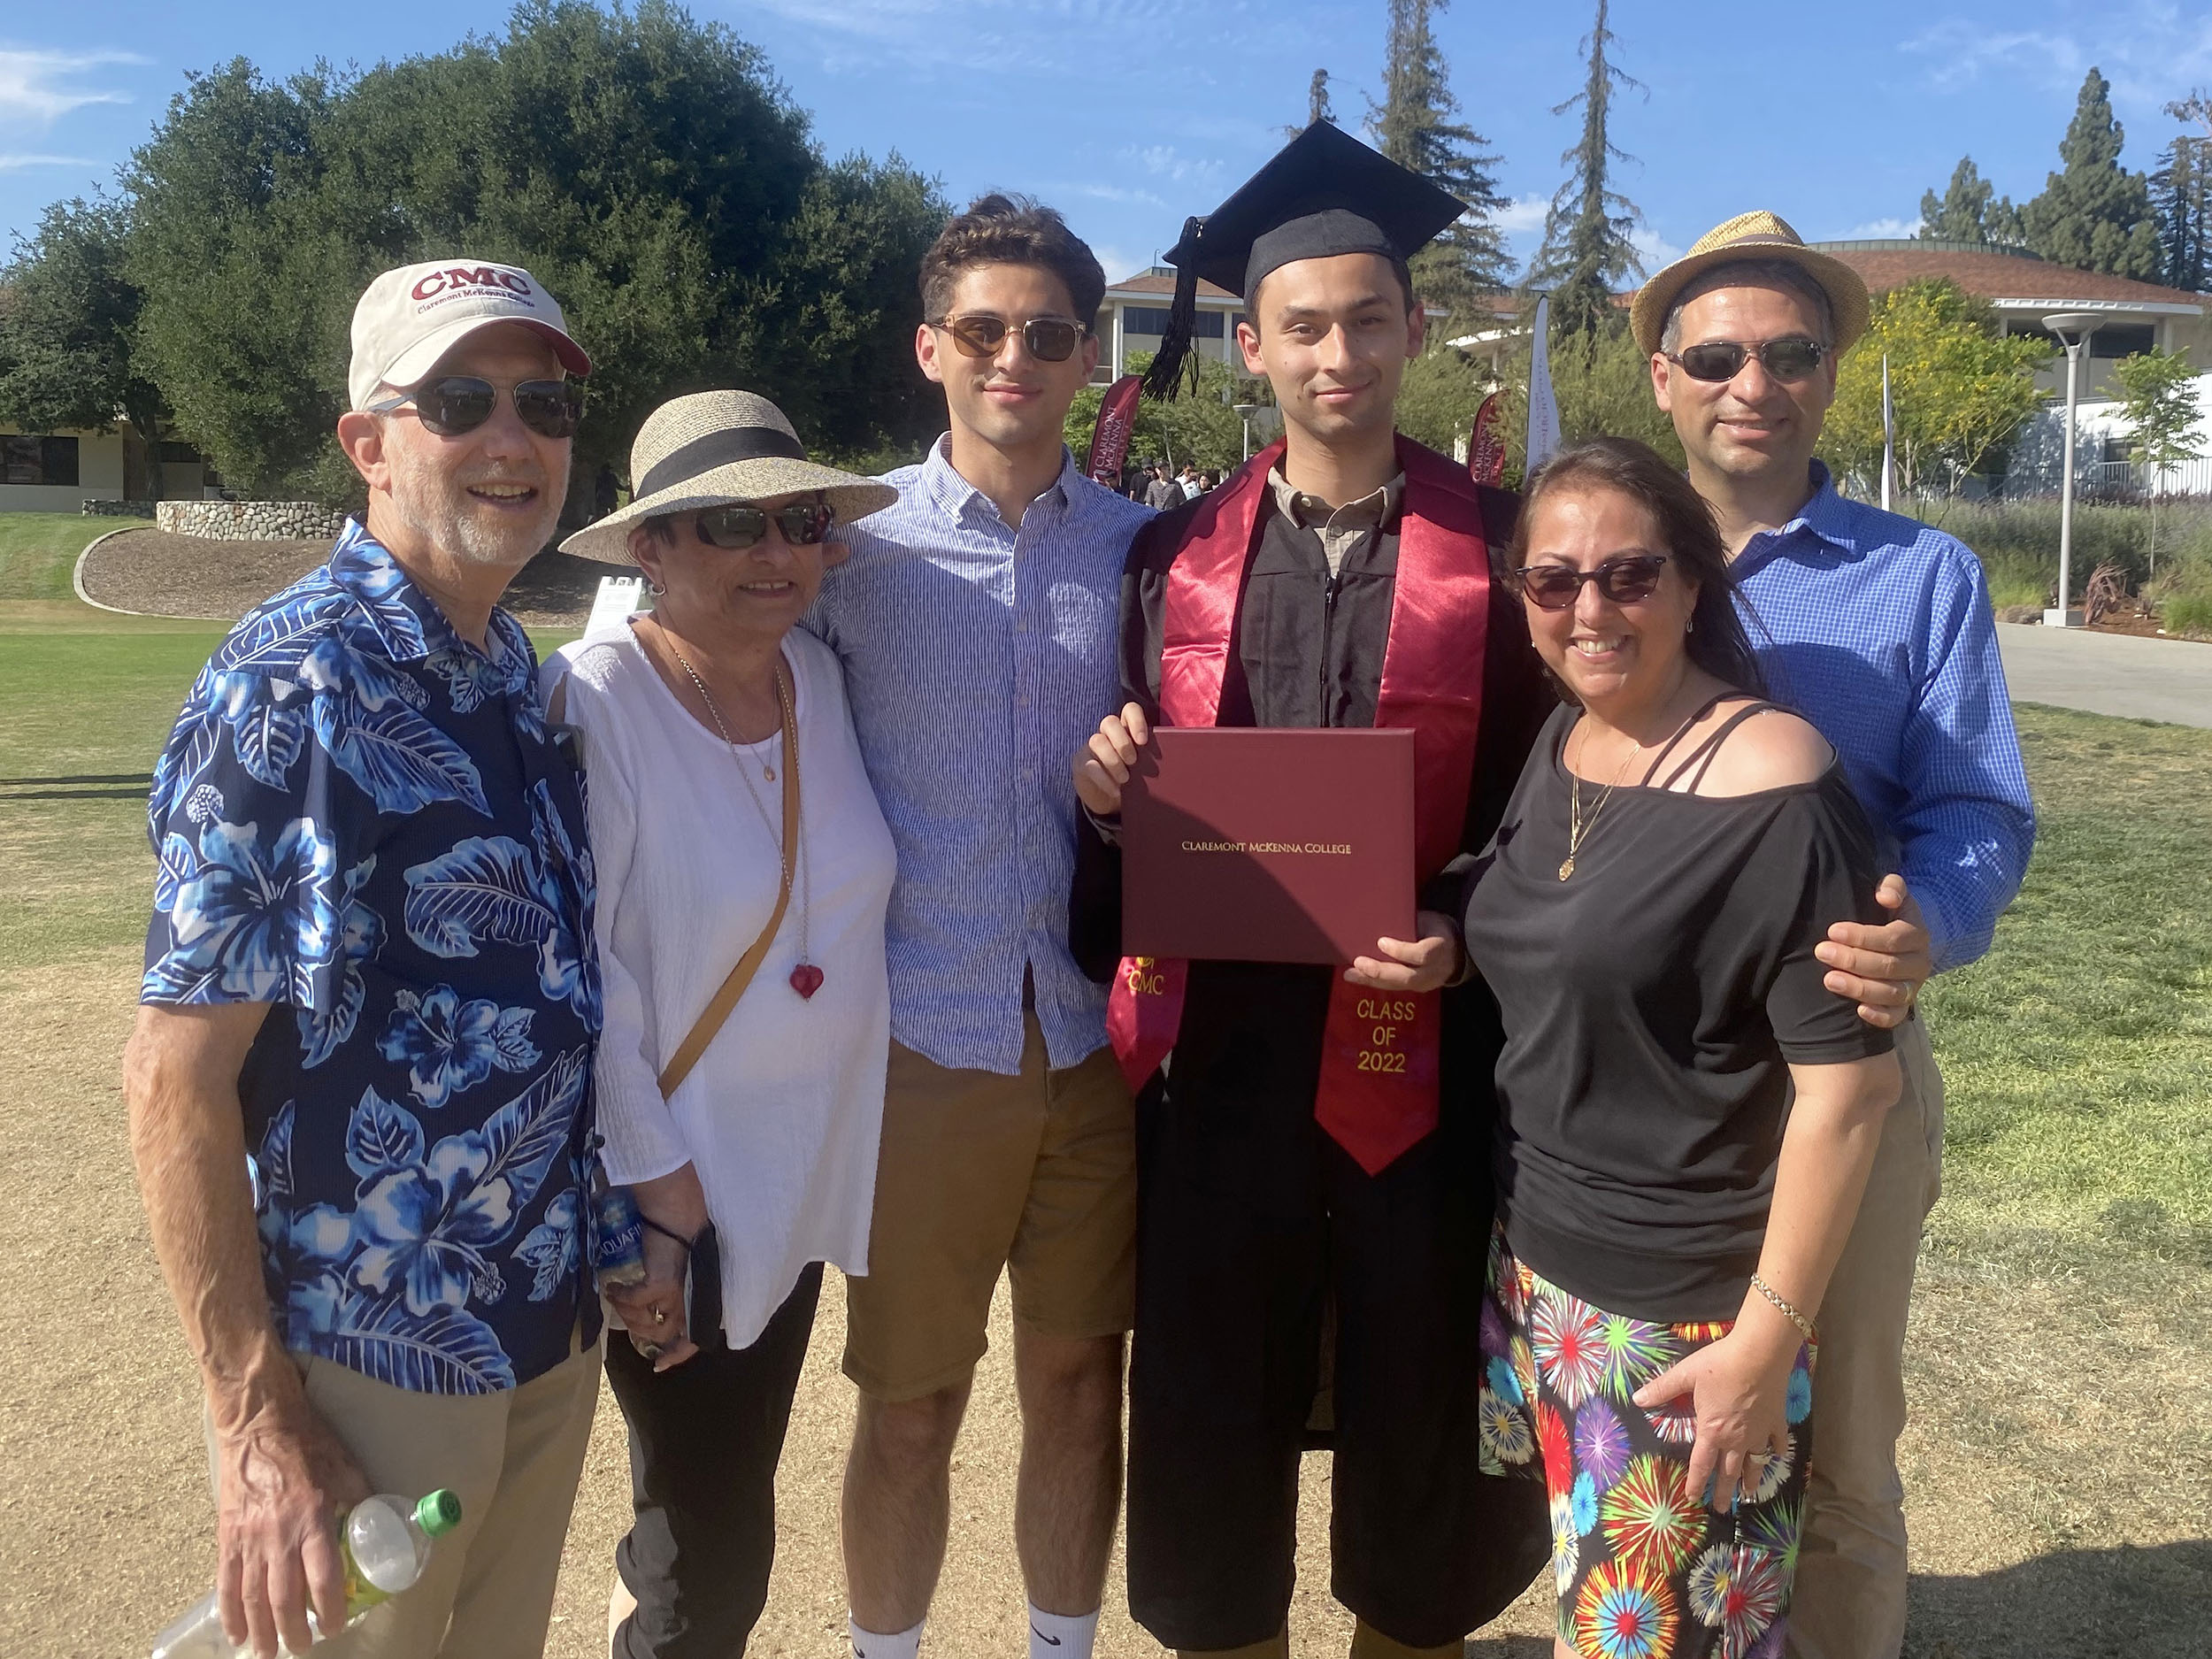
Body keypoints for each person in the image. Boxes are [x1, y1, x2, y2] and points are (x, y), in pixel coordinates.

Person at [1068, 120, 1555, 1659]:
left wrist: (1469, 933)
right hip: (1220, 1067)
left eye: (1366, 320)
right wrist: (1104, 793)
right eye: (1302, 326)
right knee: (1214, 1410)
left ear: (1414, 330)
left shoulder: (1511, 553)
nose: (1336, 353)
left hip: (1433, 1059)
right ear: (1252, 345)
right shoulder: (1170, 559)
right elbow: (1138, 819)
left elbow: (1554, 803)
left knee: (1417, 1409)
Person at [124, 259, 601, 1659]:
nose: (513, 438)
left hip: (542, 1328)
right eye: (460, 398)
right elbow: (172, 1078)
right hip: (367, 1360)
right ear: (369, 443)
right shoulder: (296, 683)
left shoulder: (511, 665)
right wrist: (255, 1420)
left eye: (545, 400)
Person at [1632, 213, 2035, 1659]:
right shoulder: (1594, 562)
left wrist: (1927, 921)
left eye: (1791, 355)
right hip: (1634, 1092)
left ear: (1826, 378)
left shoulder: (1920, 577)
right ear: (1666, 380)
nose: (1758, 382)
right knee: (1650, 1437)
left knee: (1845, 1455)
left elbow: (1980, 803)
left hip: (1843, 1079)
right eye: (1723, 355)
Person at [1458, 437, 1904, 1659]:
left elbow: (1849, 1098)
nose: (1589, 609)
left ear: (1693, 586)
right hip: (1545, 1272)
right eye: (1553, 582)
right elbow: (1538, 916)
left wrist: (1763, 1346)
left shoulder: (1773, 781)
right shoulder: (1570, 742)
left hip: (1686, 1317)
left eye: (1629, 576)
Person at [806, 195, 1155, 1659]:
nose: (1018, 356)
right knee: (911, 1407)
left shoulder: (1152, 554)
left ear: (1090, 360)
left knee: (1082, 1389)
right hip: (921, 1039)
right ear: (930, 348)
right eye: (987, 330)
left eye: (1050, 333)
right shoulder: (846, 549)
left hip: (1095, 1041)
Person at [546, 392, 900, 1656]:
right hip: (678, 1201)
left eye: (798, 520)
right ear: (651, 548)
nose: (777, 554)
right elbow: (586, 972)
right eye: (729, 526)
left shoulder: (816, 673)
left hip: (797, 1181)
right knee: (712, 1543)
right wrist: (655, 1191)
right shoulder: (596, 698)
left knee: (718, 1494)